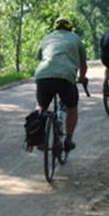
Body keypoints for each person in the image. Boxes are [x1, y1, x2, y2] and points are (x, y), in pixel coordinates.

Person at [33, 17, 88, 152]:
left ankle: (39, 137)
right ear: (70, 27)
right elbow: (83, 64)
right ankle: (68, 139)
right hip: (65, 76)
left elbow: (39, 57)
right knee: (72, 108)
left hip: (43, 75)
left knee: (41, 106)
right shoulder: (76, 38)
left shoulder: (47, 37)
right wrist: (81, 77)